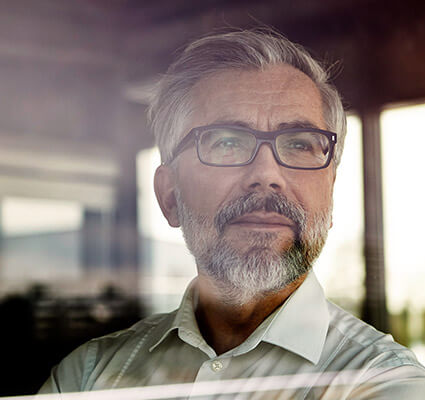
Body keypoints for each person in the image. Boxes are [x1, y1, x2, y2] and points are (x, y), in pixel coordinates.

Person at [39, 28, 425, 399]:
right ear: (169, 195)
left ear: (330, 190)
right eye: (226, 142)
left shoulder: (385, 383)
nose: (266, 175)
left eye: (299, 144)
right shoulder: (88, 376)